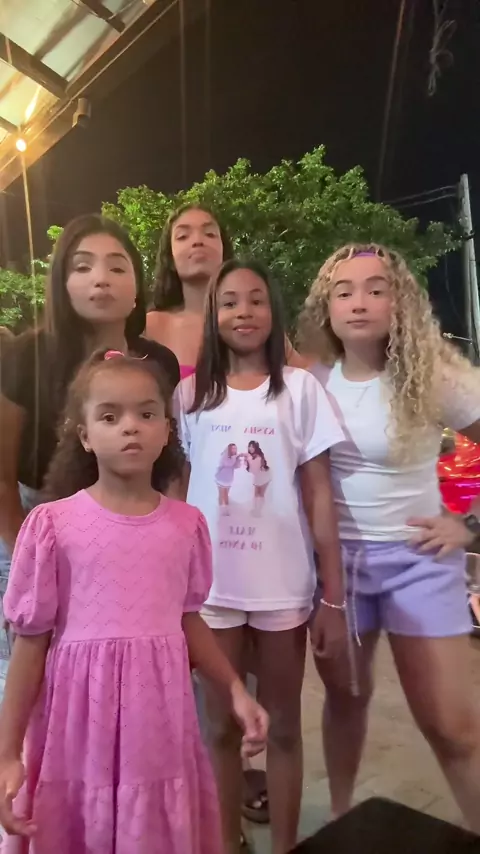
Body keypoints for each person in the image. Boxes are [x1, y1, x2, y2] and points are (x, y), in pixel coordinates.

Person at [0, 350, 268, 854]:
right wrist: (8, 752)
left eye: (146, 413)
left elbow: (188, 620)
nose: (130, 427)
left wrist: (235, 689)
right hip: (78, 731)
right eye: (110, 416)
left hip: (157, 728)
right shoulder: (53, 525)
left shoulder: (187, 525)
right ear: (84, 435)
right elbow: (30, 644)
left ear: (167, 430)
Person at [297, 243, 480, 833]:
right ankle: (341, 820)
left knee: (452, 727)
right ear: (327, 308)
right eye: (344, 291)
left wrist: (467, 524)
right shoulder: (312, 380)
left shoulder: (432, 376)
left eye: (376, 289)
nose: (359, 302)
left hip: (418, 563)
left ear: (398, 303)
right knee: (346, 700)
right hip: (339, 571)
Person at [174, 259, 346, 854]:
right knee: (220, 727)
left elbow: (319, 495)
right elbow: (179, 497)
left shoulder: (300, 390)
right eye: (229, 302)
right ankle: (225, 842)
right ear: (212, 314)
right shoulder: (189, 396)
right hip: (212, 591)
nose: (243, 312)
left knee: (283, 727)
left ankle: (287, 844)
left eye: (255, 300)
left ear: (274, 312)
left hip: (283, 589)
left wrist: (333, 596)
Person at [0, 213, 179, 597]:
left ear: (136, 287)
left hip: (135, 527)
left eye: (117, 267)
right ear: (61, 283)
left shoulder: (160, 363)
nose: (101, 278)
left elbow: (169, 460)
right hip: (33, 527)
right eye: (82, 267)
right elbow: (2, 478)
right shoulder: (24, 357)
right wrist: (26, 558)